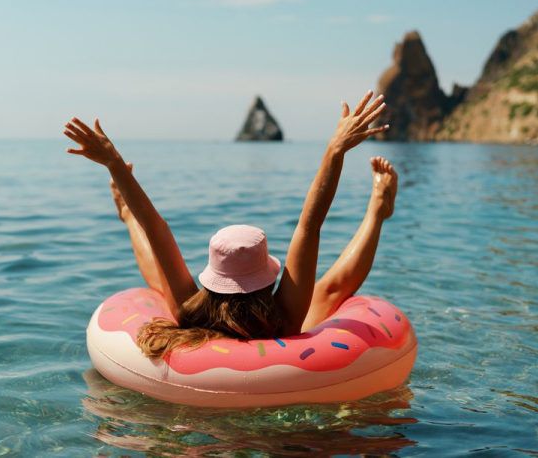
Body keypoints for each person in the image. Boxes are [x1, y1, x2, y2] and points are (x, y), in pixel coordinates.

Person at [63, 90, 398, 359]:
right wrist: (335, 150)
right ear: (267, 275)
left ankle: (125, 215)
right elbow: (310, 225)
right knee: (328, 290)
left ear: (214, 276)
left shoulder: (189, 312)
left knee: (162, 280)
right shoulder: (286, 315)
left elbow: (156, 229)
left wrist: (114, 163)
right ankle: (377, 212)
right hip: (287, 367)